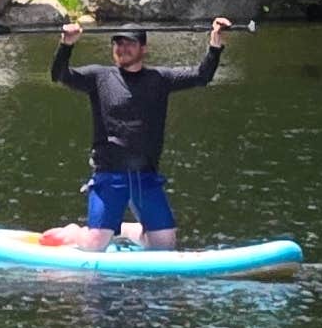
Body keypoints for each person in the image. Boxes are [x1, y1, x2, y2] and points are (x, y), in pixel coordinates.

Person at [47, 13, 233, 248]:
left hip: (146, 176)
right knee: (95, 246)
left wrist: (215, 42)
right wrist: (66, 45)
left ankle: (127, 230)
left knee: (165, 245)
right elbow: (59, 75)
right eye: (118, 43)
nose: (123, 48)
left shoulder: (160, 78)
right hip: (110, 175)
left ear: (143, 48)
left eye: (130, 44)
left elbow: (202, 76)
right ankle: (76, 234)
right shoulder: (99, 77)